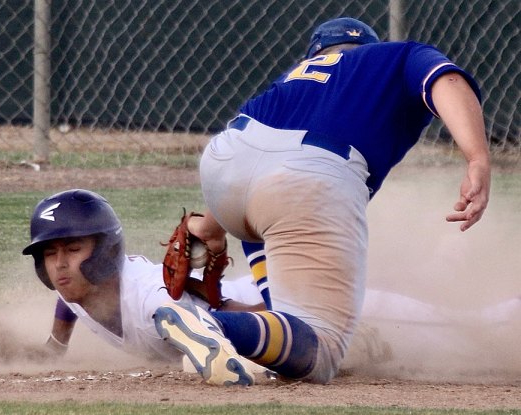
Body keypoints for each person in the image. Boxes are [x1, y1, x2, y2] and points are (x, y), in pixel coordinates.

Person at [152, 17, 492, 386]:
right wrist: (476, 159)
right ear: (368, 49)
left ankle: (207, 235)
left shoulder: (294, 77)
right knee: (323, 350)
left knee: (272, 230)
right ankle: (212, 325)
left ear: (316, 54)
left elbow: (263, 160)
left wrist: (213, 225)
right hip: (305, 179)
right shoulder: (396, 56)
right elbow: (448, 81)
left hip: (225, 165)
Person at [21, 188, 264, 361]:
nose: (60, 265)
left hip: (261, 299)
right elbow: (67, 302)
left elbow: (240, 318)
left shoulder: (155, 301)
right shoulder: (77, 283)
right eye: (50, 254)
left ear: (106, 252)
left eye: (73, 249)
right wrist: (57, 344)